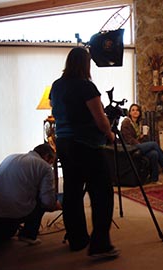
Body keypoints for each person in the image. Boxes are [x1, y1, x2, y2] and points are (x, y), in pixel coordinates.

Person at [49, 47, 119, 260]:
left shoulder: (57, 86)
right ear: (85, 64)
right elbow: (100, 119)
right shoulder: (86, 86)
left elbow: (55, 112)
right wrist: (109, 133)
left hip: (64, 144)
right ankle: (100, 245)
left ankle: (77, 239)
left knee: (72, 190)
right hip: (85, 145)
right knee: (102, 193)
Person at [0, 143, 61, 248]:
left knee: (6, 233)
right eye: (51, 162)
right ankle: (28, 234)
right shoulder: (45, 167)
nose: (51, 165)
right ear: (47, 157)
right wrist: (55, 205)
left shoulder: (12, 157)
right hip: (10, 213)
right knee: (44, 198)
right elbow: (47, 201)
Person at [120, 103, 163, 183]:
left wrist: (143, 136)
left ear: (139, 112)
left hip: (138, 145)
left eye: (137, 110)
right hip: (131, 147)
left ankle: (154, 179)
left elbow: (139, 138)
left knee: (154, 154)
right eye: (133, 110)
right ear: (129, 113)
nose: (135, 112)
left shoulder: (138, 124)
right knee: (154, 144)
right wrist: (138, 142)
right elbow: (128, 139)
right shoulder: (126, 122)